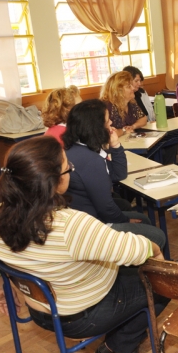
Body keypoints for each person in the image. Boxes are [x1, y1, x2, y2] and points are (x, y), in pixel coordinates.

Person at [0, 136, 168, 353]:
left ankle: (119, 333)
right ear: (52, 182)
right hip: (81, 318)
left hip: (40, 310)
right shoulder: (71, 226)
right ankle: (121, 342)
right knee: (165, 284)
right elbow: (138, 249)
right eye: (67, 168)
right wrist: (158, 254)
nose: (70, 171)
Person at [62, 100, 166, 250]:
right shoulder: (91, 161)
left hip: (85, 219)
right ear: (95, 128)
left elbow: (118, 174)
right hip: (94, 227)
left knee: (142, 219)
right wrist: (124, 221)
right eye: (107, 120)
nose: (111, 122)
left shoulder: (78, 148)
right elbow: (106, 207)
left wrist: (115, 145)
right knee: (157, 236)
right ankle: (131, 269)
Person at [100, 71, 147, 136]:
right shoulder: (108, 107)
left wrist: (133, 126)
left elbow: (143, 119)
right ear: (118, 91)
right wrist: (124, 131)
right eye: (128, 86)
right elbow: (107, 133)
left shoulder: (131, 102)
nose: (133, 88)